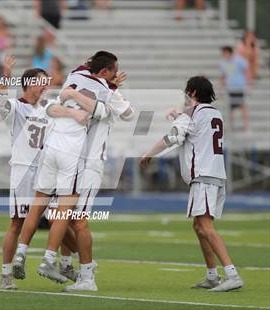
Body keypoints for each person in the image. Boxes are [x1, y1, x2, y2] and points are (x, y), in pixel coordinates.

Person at [12, 51, 123, 285]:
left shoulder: (69, 83)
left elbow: (56, 105)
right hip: (73, 155)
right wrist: (110, 90)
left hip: (49, 150)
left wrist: (71, 97)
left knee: (43, 208)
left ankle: (23, 253)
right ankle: (50, 261)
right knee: (66, 214)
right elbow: (119, 112)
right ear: (104, 73)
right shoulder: (101, 93)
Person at [140, 76, 244, 292]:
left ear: (194, 92)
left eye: (188, 92)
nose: (186, 97)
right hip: (215, 174)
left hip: (204, 176)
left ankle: (232, 274)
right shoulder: (215, 113)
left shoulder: (192, 113)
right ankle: (212, 275)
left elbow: (174, 137)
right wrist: (178, 115)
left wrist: (149, 153)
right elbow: (196, 128)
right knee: (199, 226)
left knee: (205, 226)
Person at [0, 56, 83, 289]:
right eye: (42, 81)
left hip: (48, 171)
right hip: (23, 171)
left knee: (59, 218)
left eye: (47, 81)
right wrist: (5, 76)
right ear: (29, 83)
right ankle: (6, 275)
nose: (46, 85)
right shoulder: (16, 107)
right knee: (16, 222)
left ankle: (65, 263)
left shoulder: (48, 107)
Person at [43, 58, 133, 292]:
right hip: (73, 158)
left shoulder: (107, 92)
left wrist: (111, 90)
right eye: (113, 70)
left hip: (91, 162)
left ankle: (87, 277)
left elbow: (129, 113)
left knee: (79, 220)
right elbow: (83, 67)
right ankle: (78, 262)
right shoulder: (85, 79)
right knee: (56, 216)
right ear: (104, 71)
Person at [219, 46, 249, 130]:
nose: (224, 55)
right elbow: (223, 76)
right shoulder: (223, 63)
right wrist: (221, 88)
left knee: (242, 105)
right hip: (230, 87)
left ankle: (246, 125)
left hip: (239, 86)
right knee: (231, 107)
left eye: (225, 52)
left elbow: (246, 69)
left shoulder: (239, 60)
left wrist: (247, 83)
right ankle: (232, 126)